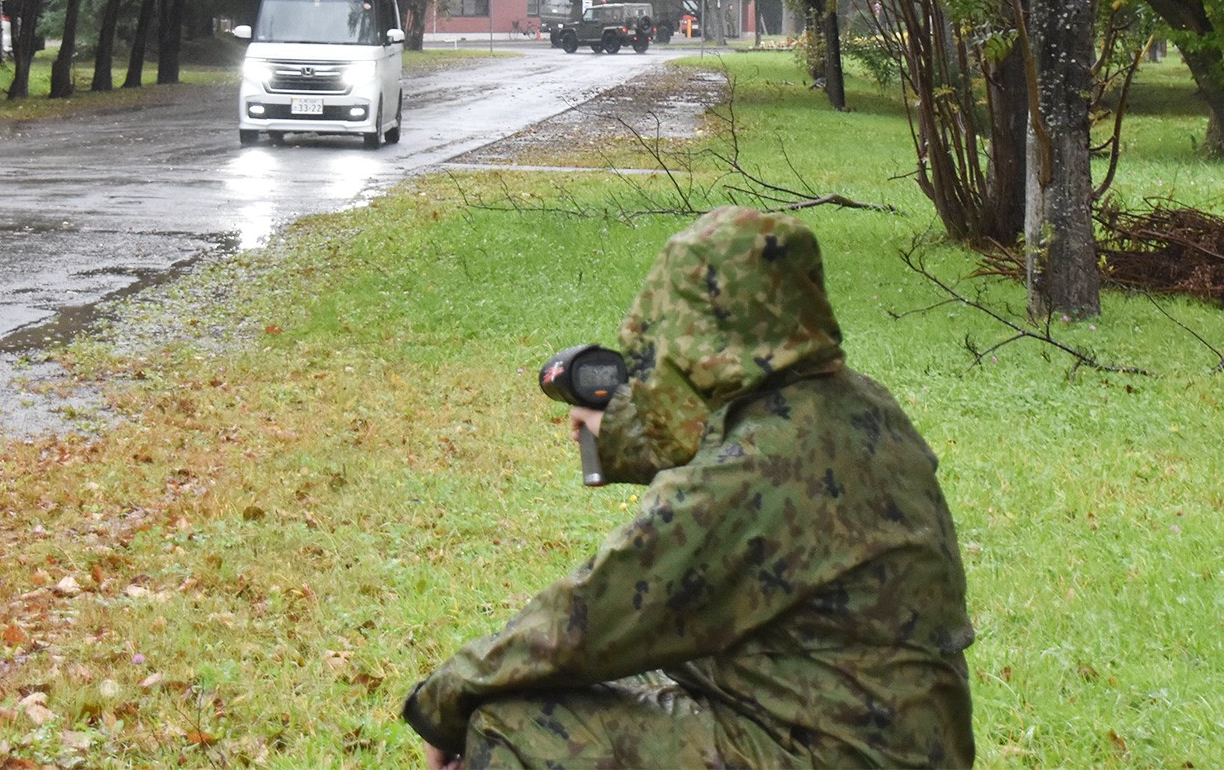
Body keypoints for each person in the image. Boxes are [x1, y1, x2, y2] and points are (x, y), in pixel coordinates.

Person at [403, 205, 975, 768]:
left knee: (512, 725)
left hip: (828, 747)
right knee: (630, 678)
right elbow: (722, 439)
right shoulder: (860, 405)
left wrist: (446, 699)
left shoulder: (754, 467)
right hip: (895, 731)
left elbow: (595, 614)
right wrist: (620, 431)